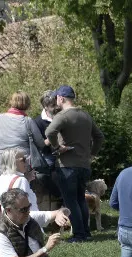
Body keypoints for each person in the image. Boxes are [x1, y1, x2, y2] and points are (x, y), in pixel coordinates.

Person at [45, 85, 105, 243]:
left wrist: (57, 147)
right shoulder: (85, 115)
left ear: (61, 98)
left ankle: (79, 235)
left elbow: (49, 132)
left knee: (71, 200)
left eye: (56, 97)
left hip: (67, 165)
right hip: (84, 165)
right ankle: (85, 232)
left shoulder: (63, 116)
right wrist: (92, 154)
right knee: (80, 199)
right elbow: (99, 137)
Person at [0, 91, 46, 174]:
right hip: (21, 166)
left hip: (0, 165)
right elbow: (40, 143)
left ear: (11, 101)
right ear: (27, 104)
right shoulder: (28, 121)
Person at [32, 90, 61, 199]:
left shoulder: (60, 115)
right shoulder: (38, 122)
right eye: (52, 105)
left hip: (63, 152)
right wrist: (51, 138)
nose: (56, 108)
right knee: (43, 176)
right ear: (45, 106)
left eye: (56, 104)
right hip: (48, 154)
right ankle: (58, 196)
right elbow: (40, 144)